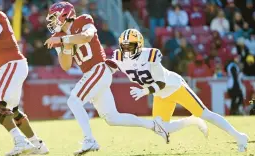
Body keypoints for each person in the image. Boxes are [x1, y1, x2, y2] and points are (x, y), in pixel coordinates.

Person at [44, 2, 207, 155]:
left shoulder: (83, 20)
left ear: (64, 15)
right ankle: (154, 125)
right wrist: (64, 45)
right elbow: (65, 65)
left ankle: (90, 140)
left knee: (73, 101)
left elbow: (87, 36)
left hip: (99, 69)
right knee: (112, 118)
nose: (51, 21)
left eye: (53, 17)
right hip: (91, 73)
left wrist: (64, 39)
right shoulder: (59, 36)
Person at [110, 28, 249, 152]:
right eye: (124, 46)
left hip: (174, 86)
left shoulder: (150, 55)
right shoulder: (118, 57)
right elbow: (106, 68)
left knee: (205, 113)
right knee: (161, 128)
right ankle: (192, 121)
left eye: (130, 46)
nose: (126, 51)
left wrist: (144, 92)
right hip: (159, 94)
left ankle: (239, 136)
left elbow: (161, 83)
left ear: (139, 46)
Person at [0, 1, 48, 155]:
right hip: (11, 66)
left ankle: (20, 141)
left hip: (10, 65)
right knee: (14, 110)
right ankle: (38, 145)